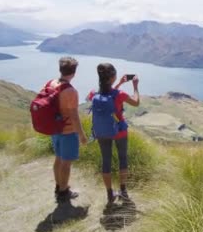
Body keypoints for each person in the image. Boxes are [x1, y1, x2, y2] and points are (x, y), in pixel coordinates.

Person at [87, 63, 140, 205]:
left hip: (102, 132)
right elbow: (136, 102)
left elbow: (106, 94)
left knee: (106, 161)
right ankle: (123, 191)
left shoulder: (93, 94)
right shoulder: (119, 94)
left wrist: (119, 83)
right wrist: (135, 86)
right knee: (122, 159)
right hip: (119, 131)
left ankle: (110, 194)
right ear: (112, 77)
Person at [47, 57, 88, 203]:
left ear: (60, 69)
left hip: (55, 129)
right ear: (74, 73)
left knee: (58, 159)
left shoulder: (51, 83)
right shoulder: (70, 91)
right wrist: (82, 135)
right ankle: (64, 192)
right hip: (67, 132)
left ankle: (59, 187)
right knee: (66, 163)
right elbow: (75, 117)